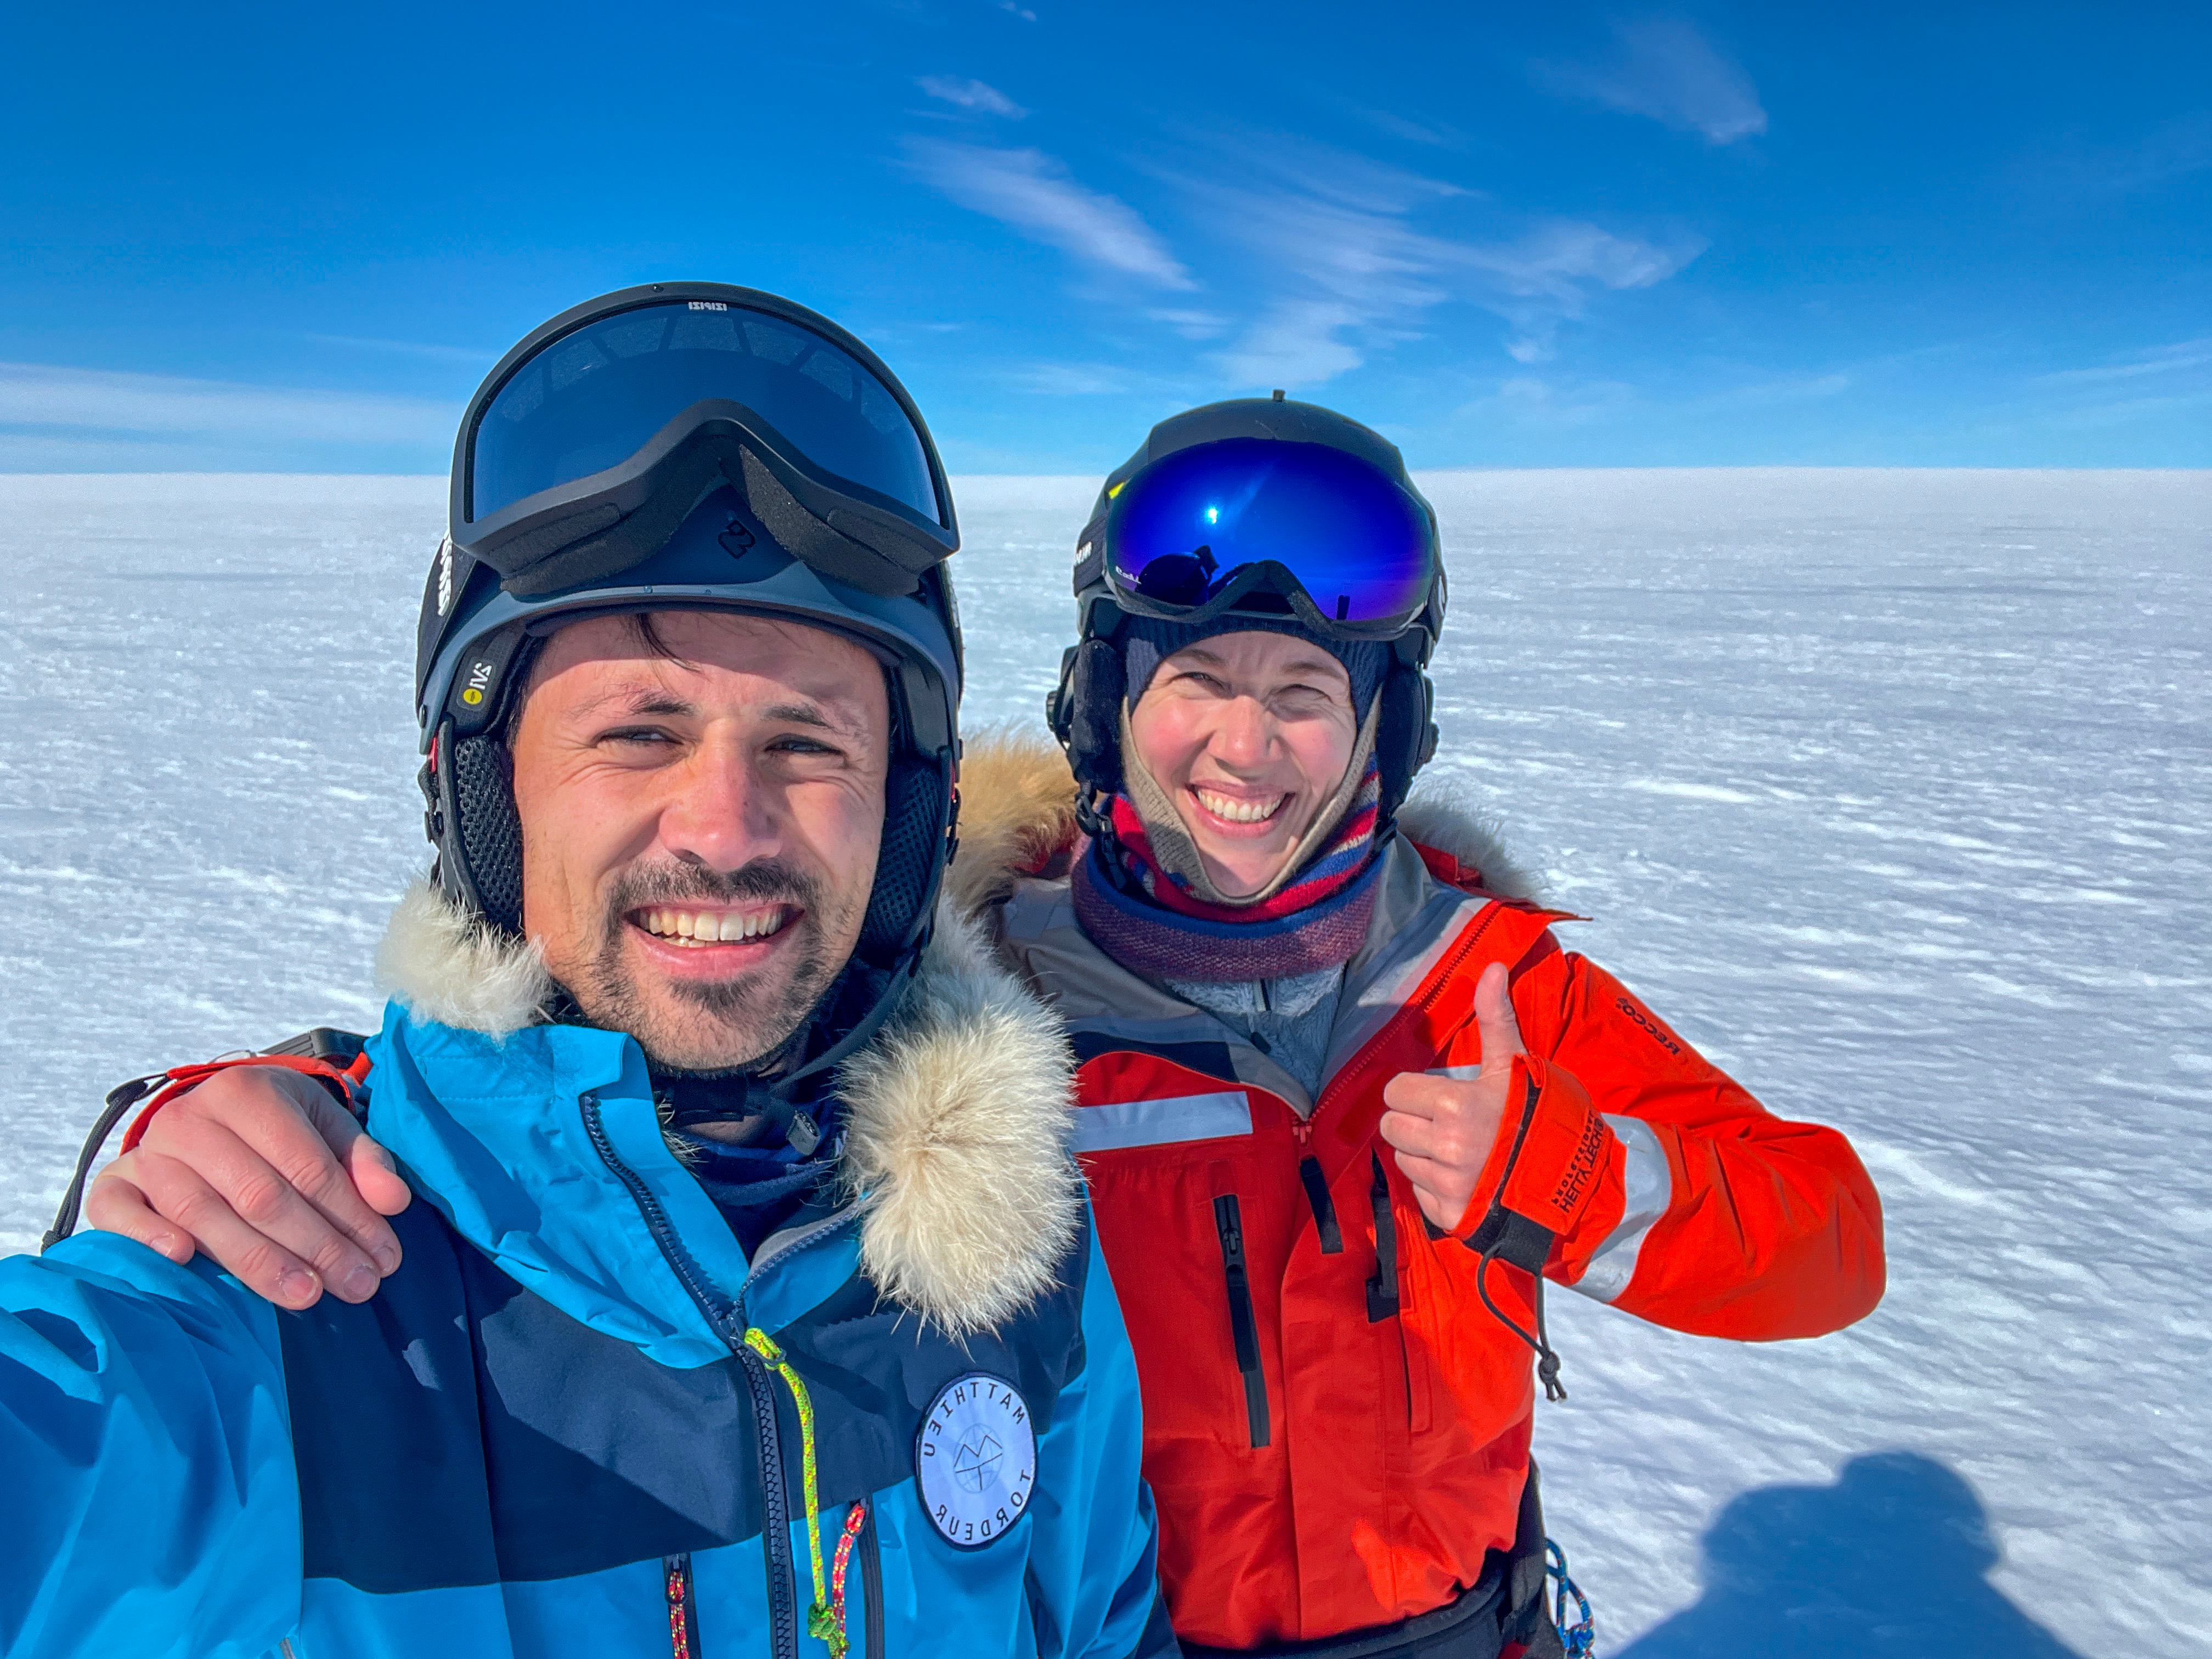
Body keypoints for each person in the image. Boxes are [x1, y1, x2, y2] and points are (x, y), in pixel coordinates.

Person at [91, 397, 1886, 1658]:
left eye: (1302, 695)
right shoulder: (975, 976)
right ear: (1106, 702)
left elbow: (1827, 1250)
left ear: (1380, 733)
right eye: (1193, 683)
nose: (1243, 752)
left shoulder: (1494, 988)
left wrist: (1569, 1180)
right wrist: (260, 1113)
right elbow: (646, 1065)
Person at [9, 283, 1171, 1659]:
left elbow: (1104, 1625)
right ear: (485, 800)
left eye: (807, 744)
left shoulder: (1014, 1248)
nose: (727, 830)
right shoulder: (297, 1286)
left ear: (908, 812)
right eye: (638, 734)